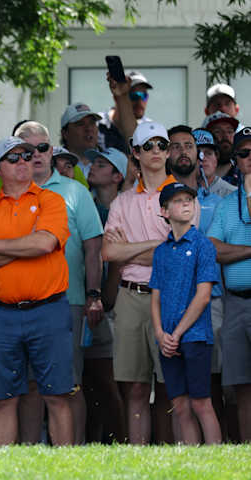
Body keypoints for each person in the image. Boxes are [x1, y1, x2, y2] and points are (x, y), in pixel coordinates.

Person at [0, 136, 73, 446]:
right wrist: (28, 246)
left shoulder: (50, 200)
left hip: (49, 309)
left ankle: (67, 469)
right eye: (12, 158)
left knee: (57, 396)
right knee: (2, 399)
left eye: (27, 155)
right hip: (2, 313)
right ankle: (4, 471)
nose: (23, 162)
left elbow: (45, 243)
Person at [101, 121, 199, 444]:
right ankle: (138, 460)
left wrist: (132, 249)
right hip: (130, 298)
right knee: (136, 387)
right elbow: (109, 253)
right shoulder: (122, 202)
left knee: (173, 387)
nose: (156, 151)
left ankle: (178, 461)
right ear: (136, 153)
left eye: (161, 145)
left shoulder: (185, 198)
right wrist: (156, 246)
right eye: (149, 146)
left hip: (172, 297)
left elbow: (181, 253)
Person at [12, 122, 104, 445]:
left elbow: (94, 248)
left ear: (52, 151)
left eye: (42, 148)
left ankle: (73, 454)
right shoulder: (7, 194)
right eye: (28, 150)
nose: (36, 155)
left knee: (69, 383)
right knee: (32, 384)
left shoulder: (75, 191)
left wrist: (94, 294)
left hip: (69, 300)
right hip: (21, 302)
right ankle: (31, 454)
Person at [150, 182, 222, 445]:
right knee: (180, 405)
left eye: (189, 200)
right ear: (165, 211)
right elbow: (155, 296)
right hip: (168, 338)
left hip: (195, 336)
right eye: (178, 201)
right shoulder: (161, 251)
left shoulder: (204, 245)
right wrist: (160, 334)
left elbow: (203, 296)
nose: (186, 204)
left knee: (202, 402)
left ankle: (216, 460)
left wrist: (176, 333)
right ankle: (192, 461)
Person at [207, 126, 251, 442]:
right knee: (241, 386)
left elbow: (224, 250)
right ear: (235, 160)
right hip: (235, 302)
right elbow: (213, 250)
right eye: (244, 153)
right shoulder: (226, 205)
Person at [83, 147, 129, 443]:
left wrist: (107, 297)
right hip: (93, 302)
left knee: (112, 384)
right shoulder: (88, 206)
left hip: (121, 304)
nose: (93, 167)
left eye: (102, 164)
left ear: (118, 176)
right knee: (89, 382)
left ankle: (120, 443)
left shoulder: (125, 210)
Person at [97, 71, 152, 154]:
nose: (140, 101)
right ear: (117, 96)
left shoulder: (150, 129)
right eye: (134, 96)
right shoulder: (95, 124)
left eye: (144, 96)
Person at [60, 103, 102, 176]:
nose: (88, 128)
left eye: (92, 123)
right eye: (80, 124)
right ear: (65, 134)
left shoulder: (112, 161)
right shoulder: (53, 165)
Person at [194, 128, 237, 198]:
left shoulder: (234, 194)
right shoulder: (179, 191)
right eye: (197, 154)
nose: (203, 158)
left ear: (216, 157)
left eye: (208, 153)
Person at [201, 111, 241, 186]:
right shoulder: (192, 177)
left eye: (230, 131)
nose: (225, 135)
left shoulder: (244, 174)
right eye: (217, 131)